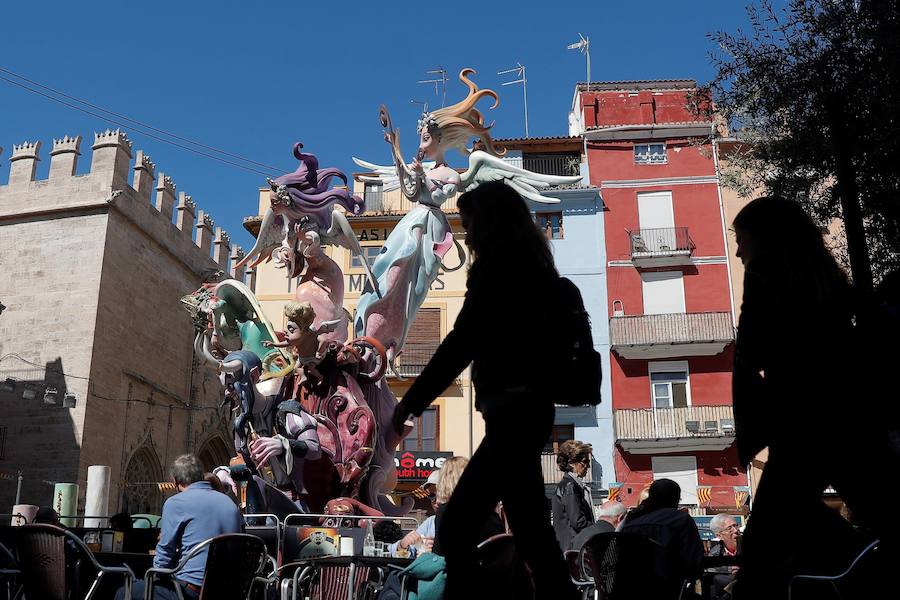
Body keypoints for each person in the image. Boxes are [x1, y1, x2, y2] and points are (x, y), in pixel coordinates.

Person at [392, 181, 579, 600]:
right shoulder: (537, 270)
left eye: (470, 223)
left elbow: (459, 344)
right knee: (533, 532)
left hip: (511, 414)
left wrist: (408, 405)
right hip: (530, 412)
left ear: (489, 223)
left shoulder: (498, 269)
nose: (468, 234)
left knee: (456, 523)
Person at [730, 196, 884, 598]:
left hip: (798, 422)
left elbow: (752, 348)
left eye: (741, 239)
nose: (738, 250)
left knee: (761, 545)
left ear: (762, 238)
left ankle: (858, 556)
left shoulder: (764, 273)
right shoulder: (826, 279)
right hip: (848, 413)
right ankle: (862, 556)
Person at [116, 454, 243, 600]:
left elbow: (163, 559)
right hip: (229, 591)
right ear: (201, 476)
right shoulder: (230, 503)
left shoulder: (176, 503)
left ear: (175, 481)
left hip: (190, 592)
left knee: (125, 590)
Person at [619, 479, 704, 596]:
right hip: (669, 589)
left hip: (631, 589)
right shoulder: (681, 519)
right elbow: (694, 563)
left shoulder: (629, 522)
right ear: (674, 499)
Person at [552, 440, 596, 551]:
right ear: (572, 463)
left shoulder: (569, 484)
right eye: (585, 462)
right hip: (573, 549)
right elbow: (578, 522)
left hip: (570, 547)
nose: (588, 466)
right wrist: (598, 528)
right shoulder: (570, 486)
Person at [706, 514, 741, 599]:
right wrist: (730, 568)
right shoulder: (715, 553)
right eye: (729, 528)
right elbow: (708, 569)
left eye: (736, 525)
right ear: (719, 535)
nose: (736, 530)